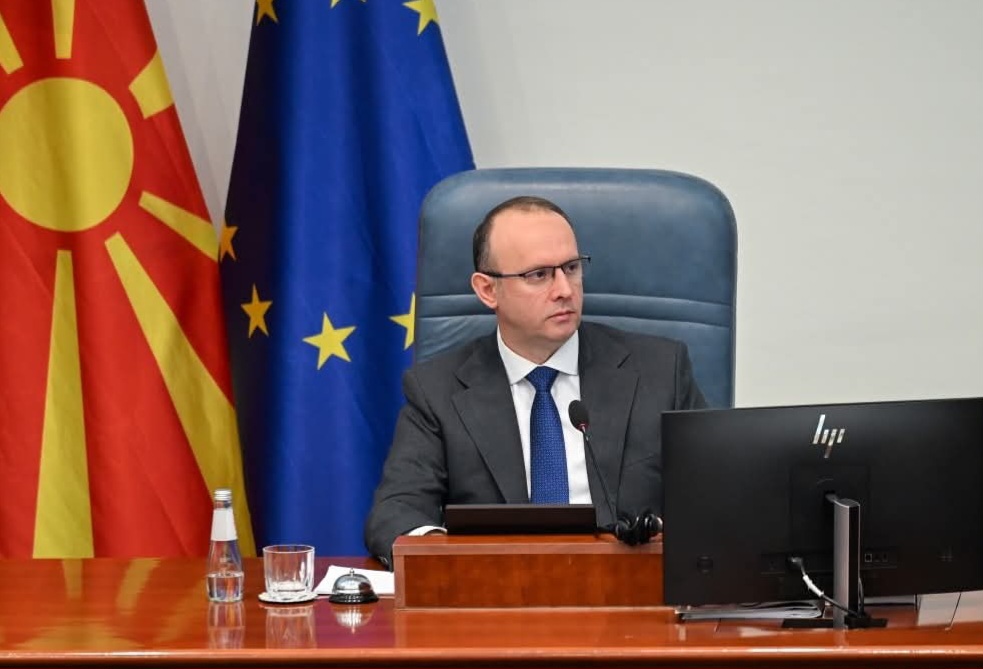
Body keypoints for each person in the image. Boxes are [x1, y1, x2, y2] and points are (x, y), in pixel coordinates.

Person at [364, 195, 706, 565]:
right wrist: (448, 561)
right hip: (498, 589)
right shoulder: (436, 391)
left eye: (571, 268)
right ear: (487, 290)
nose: (564, 290)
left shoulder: (661, 370)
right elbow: (396, 511)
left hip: (631, 585)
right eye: (538, 275)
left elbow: (714, 494)